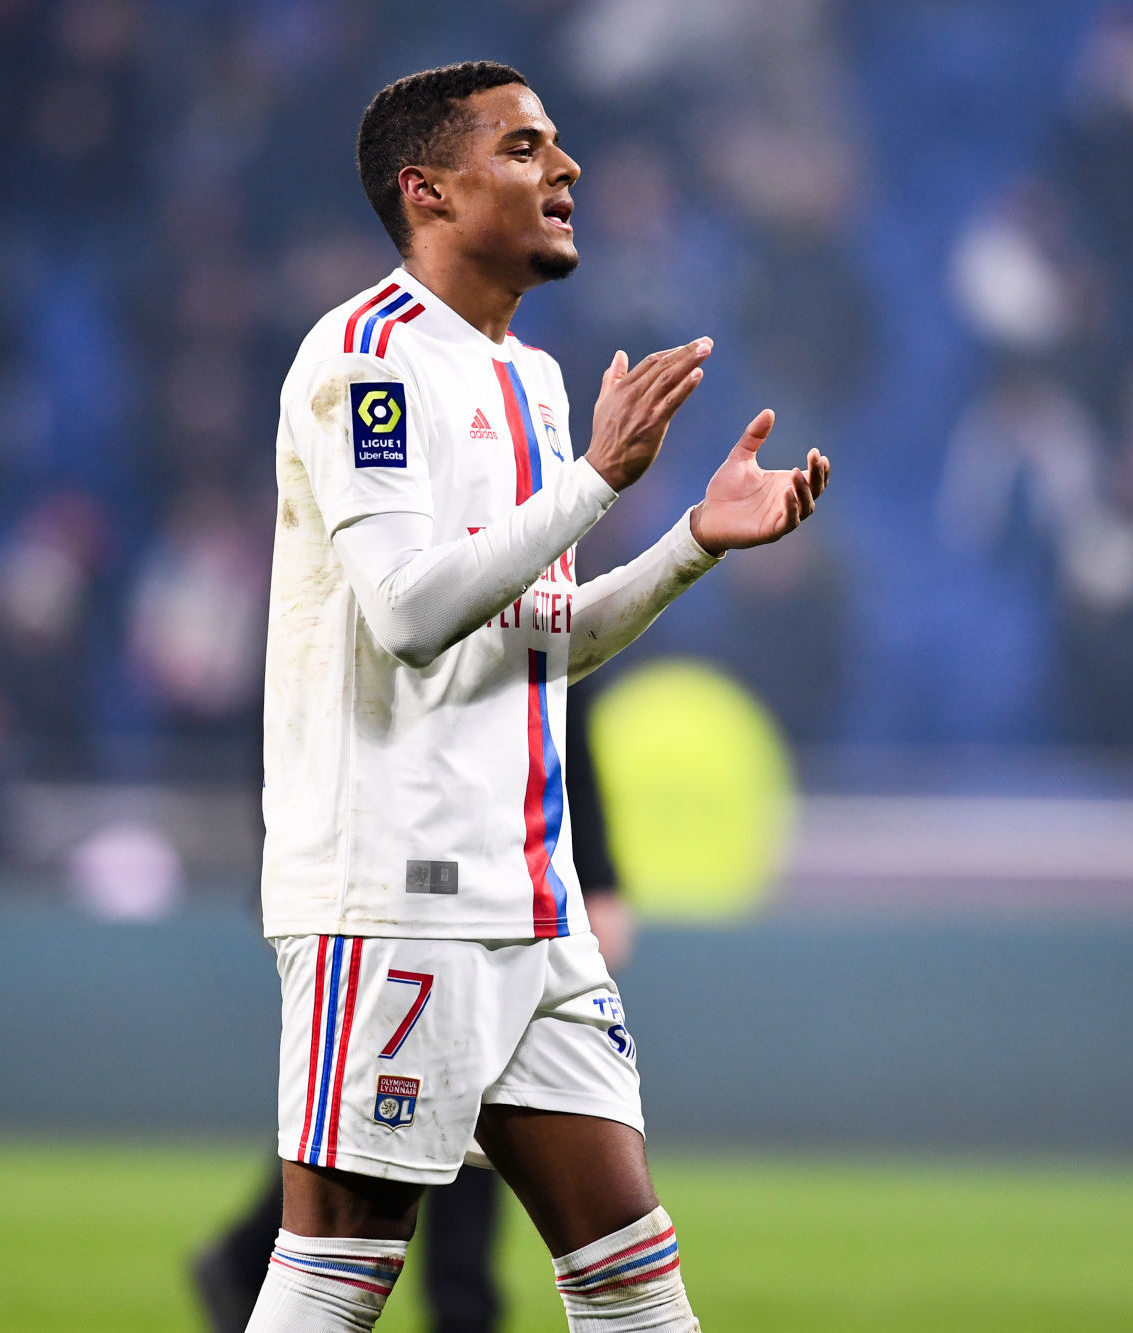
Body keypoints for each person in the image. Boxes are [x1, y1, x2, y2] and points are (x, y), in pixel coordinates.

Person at [247, 62, 829, 1333]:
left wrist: (688, 541)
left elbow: (537, 639)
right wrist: (595, 481)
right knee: (337, 1271)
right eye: (521, 149)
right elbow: (408, 614)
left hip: (535, 903)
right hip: (394, 900)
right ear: (427, 190)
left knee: (631, 1277)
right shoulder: (365, 360)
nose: (564, 168)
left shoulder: (536, 383)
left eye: (557, 146)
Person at [193, 687, 633, 1333]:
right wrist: (287, 861)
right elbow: (296, 710)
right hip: (379, 880)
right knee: (425, 1095)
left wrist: (597, 873)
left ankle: (250, 1258)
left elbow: (552, 708)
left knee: (406, 1097)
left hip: (468, 873)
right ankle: (456, 1307)